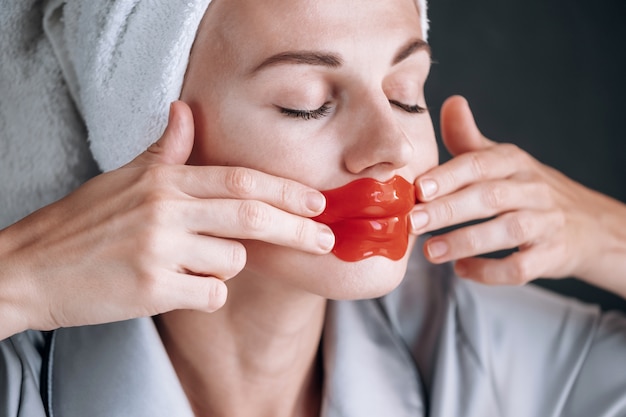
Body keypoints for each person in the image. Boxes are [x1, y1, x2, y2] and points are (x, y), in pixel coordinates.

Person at [1, 0, 625, 416]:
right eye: (306, 103)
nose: (389, 149)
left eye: (406, 94)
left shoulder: (483, 352)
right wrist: (21, 275)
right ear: (141, 133)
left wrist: (606, 237)